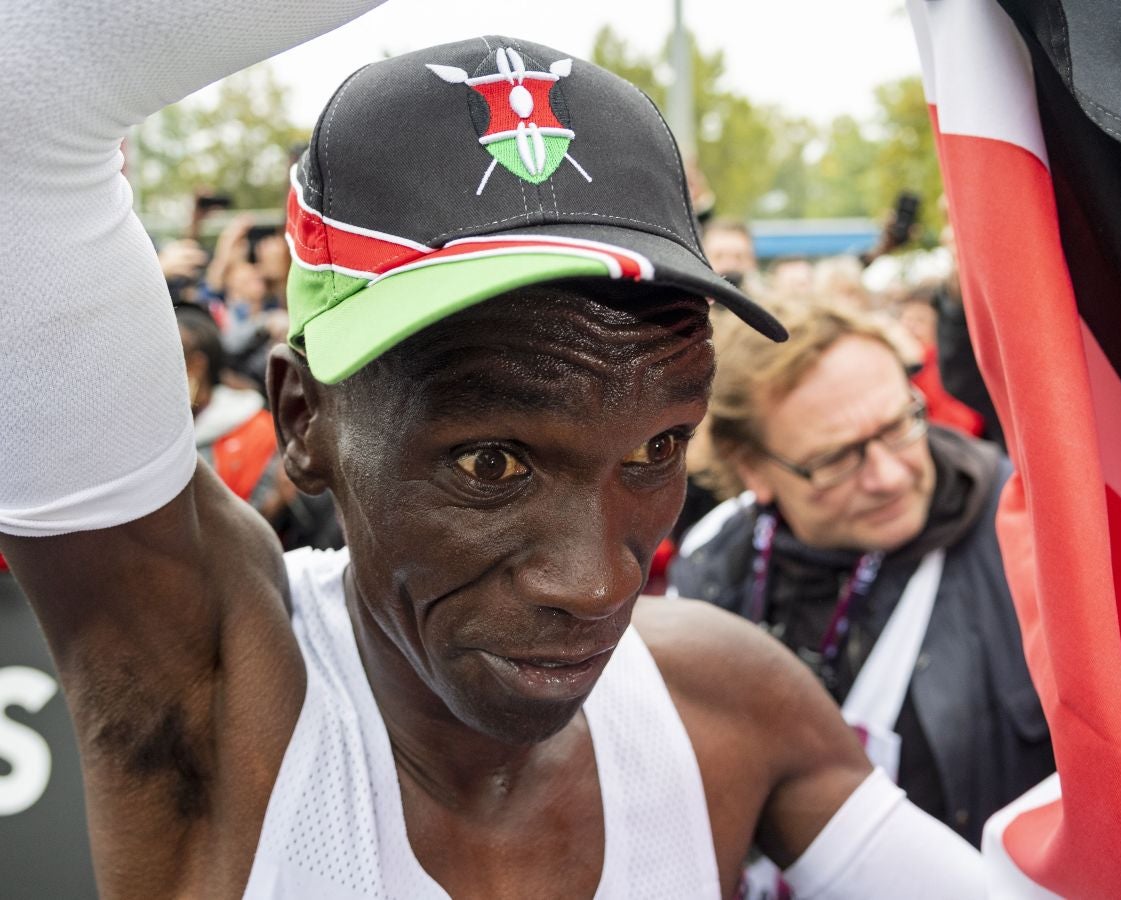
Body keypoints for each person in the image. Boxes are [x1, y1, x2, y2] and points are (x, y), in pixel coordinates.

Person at [0, 5, 986, 898]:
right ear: (304, 419)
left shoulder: (726, 703)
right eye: (490, 464)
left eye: (655, 446)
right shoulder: (213, 692)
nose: (595, 581)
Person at [670, 303, 1054, 846]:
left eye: (899, 425)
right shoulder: (712, 565)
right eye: (836, 459)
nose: (889, 476)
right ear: (752, 468)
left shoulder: (1034, 532)